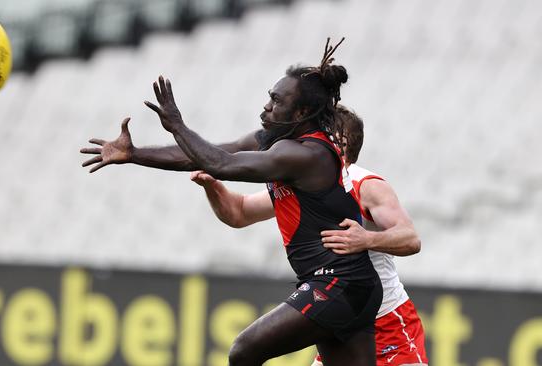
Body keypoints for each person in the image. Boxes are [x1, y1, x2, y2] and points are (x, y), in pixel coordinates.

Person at [81, 39, 382, 365]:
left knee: (244, 351)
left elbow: (221, 165)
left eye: (277, 101)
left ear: (302, 112)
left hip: (338, 284)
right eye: (270, 97)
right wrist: (135, 154)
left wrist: (178, 126)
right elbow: (202, 154)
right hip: (350, 287)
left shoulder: (305, 154)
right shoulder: (275, 141)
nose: (268, 106)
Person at [189, 106, 428, 366]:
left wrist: (366, 239)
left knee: (245, 350)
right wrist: (212, 187)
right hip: (339, 317)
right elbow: (239, 212)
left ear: (342, 147)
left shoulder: (365, 185)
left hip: (388, 324)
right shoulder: (304, 183)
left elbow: (410, 238)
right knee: (244, 351)